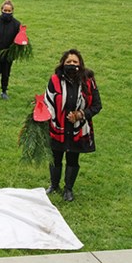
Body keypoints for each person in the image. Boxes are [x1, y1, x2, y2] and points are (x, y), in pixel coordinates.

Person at [44, 49, 101, 202]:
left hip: (78, 129)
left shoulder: (88, 81)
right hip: (57, 126)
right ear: (63, 63)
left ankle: (68, 189)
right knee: (55, 157)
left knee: (72, 158)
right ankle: (54, 185)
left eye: (75, 62)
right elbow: (47, 101)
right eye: (68, 62)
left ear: (80, 64)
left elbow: (97, 105)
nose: (72, 64)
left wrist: (80, 115)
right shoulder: (55, 79)